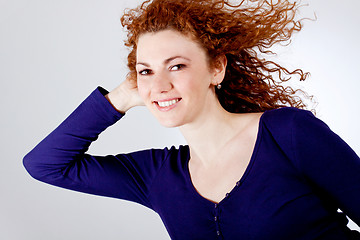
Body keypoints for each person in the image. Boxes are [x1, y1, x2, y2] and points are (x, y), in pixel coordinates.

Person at [23, 0, 360, 239]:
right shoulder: (157, 176)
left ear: (217, 68)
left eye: (177, 65)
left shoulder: (287, 134)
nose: (159, 84)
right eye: (146, 71)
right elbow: (46, 165)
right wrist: (121, 98)